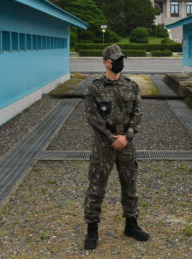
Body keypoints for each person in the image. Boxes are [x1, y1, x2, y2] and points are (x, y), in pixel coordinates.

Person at [83, 44, 150, 250]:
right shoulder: (95, 88)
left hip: (126, 144)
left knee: (130, 185)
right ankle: (92, 229)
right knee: (96, 187)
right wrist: (112, 137)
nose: (119, 63)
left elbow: (138, 112)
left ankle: (131, 224)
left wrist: (127, 136)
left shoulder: (131, 85)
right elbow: (92, 117)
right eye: (115, 59)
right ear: (105, 62)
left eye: (121, 59)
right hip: (104, 144)